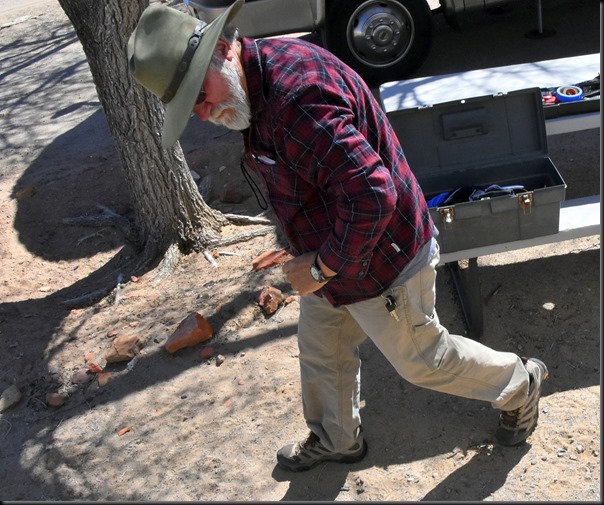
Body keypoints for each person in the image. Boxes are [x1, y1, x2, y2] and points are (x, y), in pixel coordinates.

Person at [127, 0, 549, 472]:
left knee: (423, 360)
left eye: (200, 95)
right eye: (192, 108)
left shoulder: (297, 100)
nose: (204, 114)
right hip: (332, 254)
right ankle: (337, 438)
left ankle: (520, 383)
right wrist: (317, 262)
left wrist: (319, 268)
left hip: (381, 259)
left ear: (223, 50)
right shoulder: (258, 79)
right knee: (322, 348)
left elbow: (372, 195)